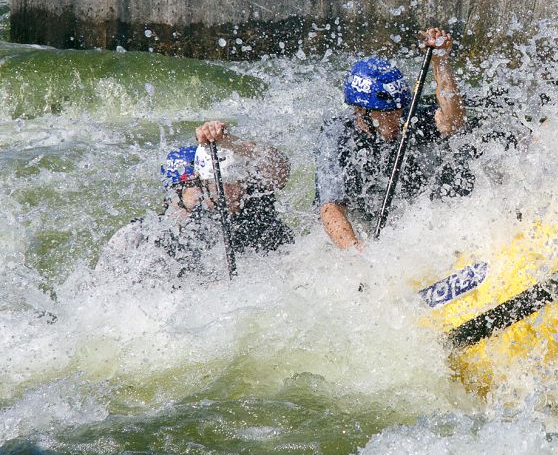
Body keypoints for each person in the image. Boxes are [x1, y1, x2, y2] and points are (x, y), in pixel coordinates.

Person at [314, 28, 472, 250]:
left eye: (398, 110)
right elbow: (331, 208)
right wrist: (357, 251)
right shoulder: (336, 136)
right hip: (361, 230)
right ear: (361, 111)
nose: (396, 119)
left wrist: (440, 61)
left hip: (413, 219)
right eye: (386, 113)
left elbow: (452, 122)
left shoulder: (408, 117)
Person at [96, 121, 292, 282]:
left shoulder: (255, 205)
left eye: (233, 182)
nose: (234, 191)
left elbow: (280, 168)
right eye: (193, 187)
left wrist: (232, 143)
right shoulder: (144, 236)